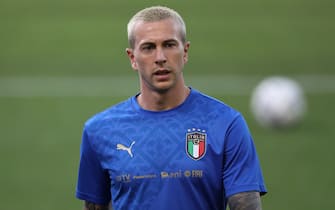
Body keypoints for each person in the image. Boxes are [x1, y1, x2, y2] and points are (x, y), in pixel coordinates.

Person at [76, 5, 267, 210]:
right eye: (148, 47)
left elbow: (246, 205)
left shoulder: (226, 123)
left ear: (184, 52)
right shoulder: (100, 131)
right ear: (132, 58)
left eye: (169, 45)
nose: (160, 57)